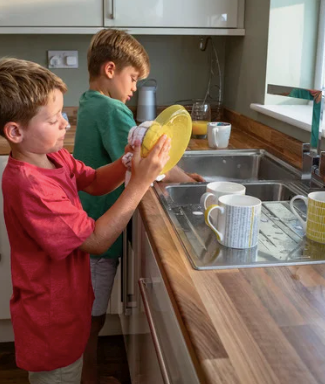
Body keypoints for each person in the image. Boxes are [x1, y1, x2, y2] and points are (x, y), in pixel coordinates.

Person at [0, 58, 171, 384]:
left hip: (68, 304)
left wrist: (126, 163)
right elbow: (96, 240)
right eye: (53, 119)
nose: (65, 124)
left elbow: (93, 181)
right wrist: (139, 183)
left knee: (74, 368)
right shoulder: (29, 185)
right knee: (61, 373)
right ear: (15, 131)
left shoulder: (53, 155)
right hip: (50, 320)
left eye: (63, 114)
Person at [74, 29, 203, 384]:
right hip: (101, 229)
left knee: (88, 316)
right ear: (111, 69)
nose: (134, 88)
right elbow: (148, 160)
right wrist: (184, 180)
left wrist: (179, 175)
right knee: (92, 319)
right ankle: (89, 379)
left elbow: (139, 156)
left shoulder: (89, 101)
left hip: (89, 220)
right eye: (133, 78)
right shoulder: (113, 110)